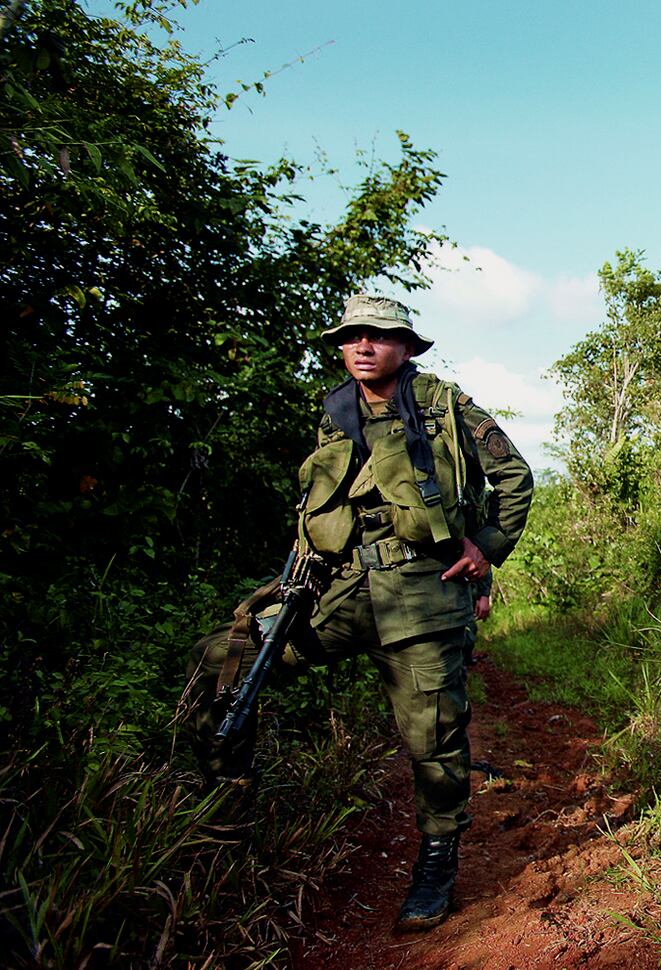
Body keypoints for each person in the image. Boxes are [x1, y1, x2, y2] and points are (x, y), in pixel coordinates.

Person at [184, 294, 533, 931]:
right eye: (352, 338)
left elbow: (514, 477)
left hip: (423, 592)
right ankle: (223, 822)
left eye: (378, 336)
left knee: (433, 738)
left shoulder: (444, 406)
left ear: (406, 347)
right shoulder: (334, 414)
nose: (363, 347)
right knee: (224, 657)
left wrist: (486, 551)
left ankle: (436, 860)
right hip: (337, 591)